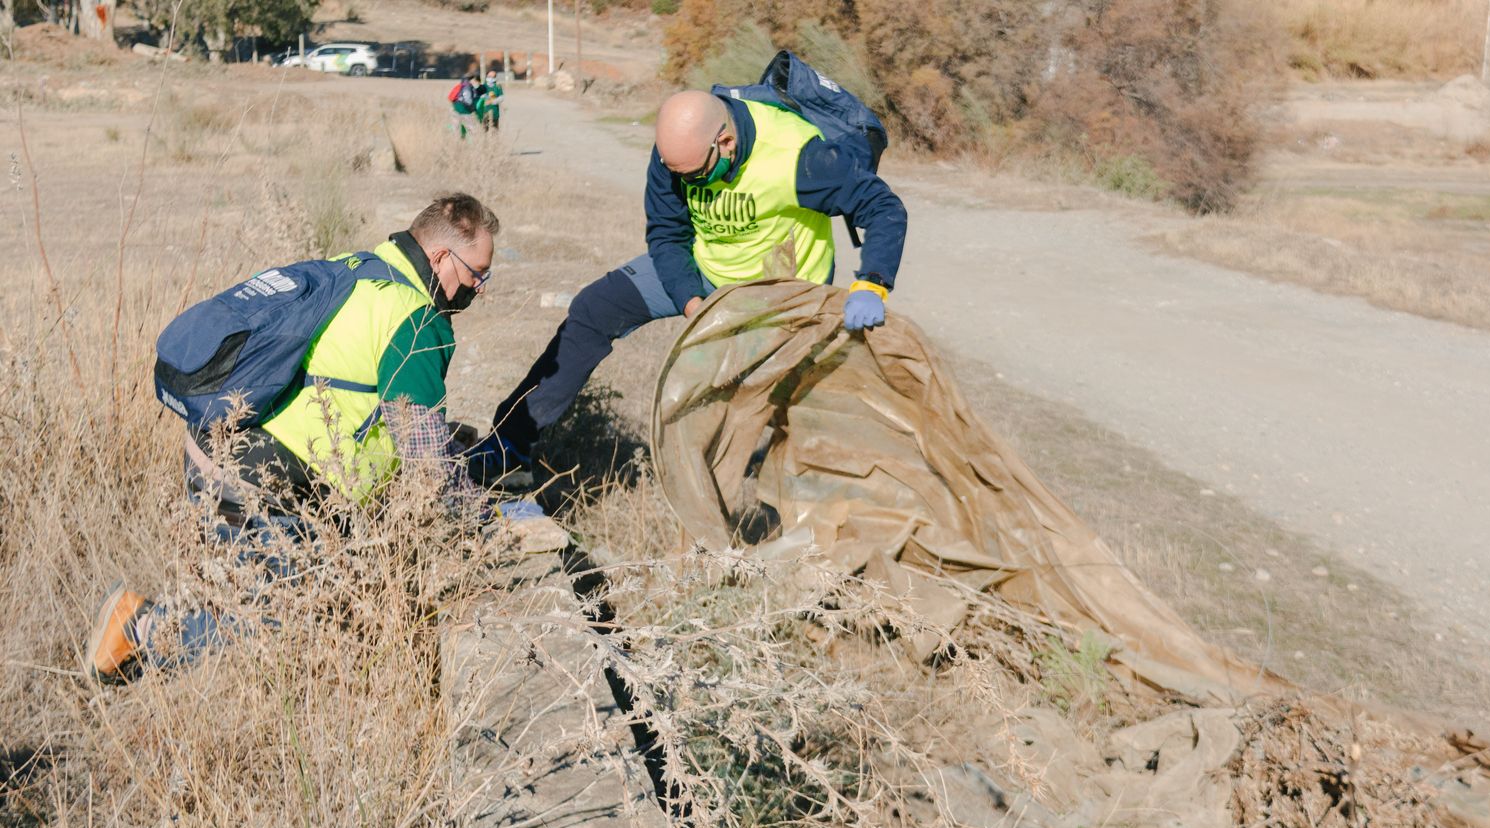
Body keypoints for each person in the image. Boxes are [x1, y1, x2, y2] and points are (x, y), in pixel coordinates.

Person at [87, 193, 565, 684]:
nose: (480, 288)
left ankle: (163, 627)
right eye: (475, 274)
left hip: (217, 448)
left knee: (268, 589)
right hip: (261, 482)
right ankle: (139, 627)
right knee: (278, 618)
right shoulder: (418, 321)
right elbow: (427, 465)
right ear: (442, 258)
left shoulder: (359, 268)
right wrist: (492, 521)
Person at [474, 89, 908, 468]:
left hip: (779, 291)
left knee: (796, 398)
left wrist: (871, 283)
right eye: (675, 171)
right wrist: (691, 302)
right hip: (703, 269)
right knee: (593, 308)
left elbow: (883, 209)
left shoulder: (801, 159)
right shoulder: (676, 152)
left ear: (726, 141)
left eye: (694, 175)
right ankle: (509, 446)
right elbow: (667, 233)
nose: (682, 181)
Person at [451, 72, 481, 139]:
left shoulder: (461, 85)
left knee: (455, 129)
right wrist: (473, 108)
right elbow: (468, 101)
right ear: (471, 79)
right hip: (465, 111)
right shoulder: (467, 87)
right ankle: (473, 144)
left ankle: (456, 143)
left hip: (456, 110)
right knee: (472, 130)